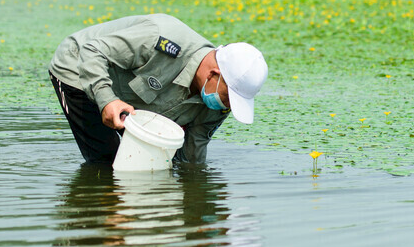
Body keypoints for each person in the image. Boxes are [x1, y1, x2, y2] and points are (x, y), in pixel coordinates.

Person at [49, 13, 268, 165]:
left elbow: (193, 150)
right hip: (78, 68)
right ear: (214, 74)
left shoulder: (218, 102)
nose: (228, 106)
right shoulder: (161, 38)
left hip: (131, 99)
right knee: (106, 163)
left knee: (143, 163)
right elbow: (93, 50)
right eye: (228, 97)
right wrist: (107, 100)